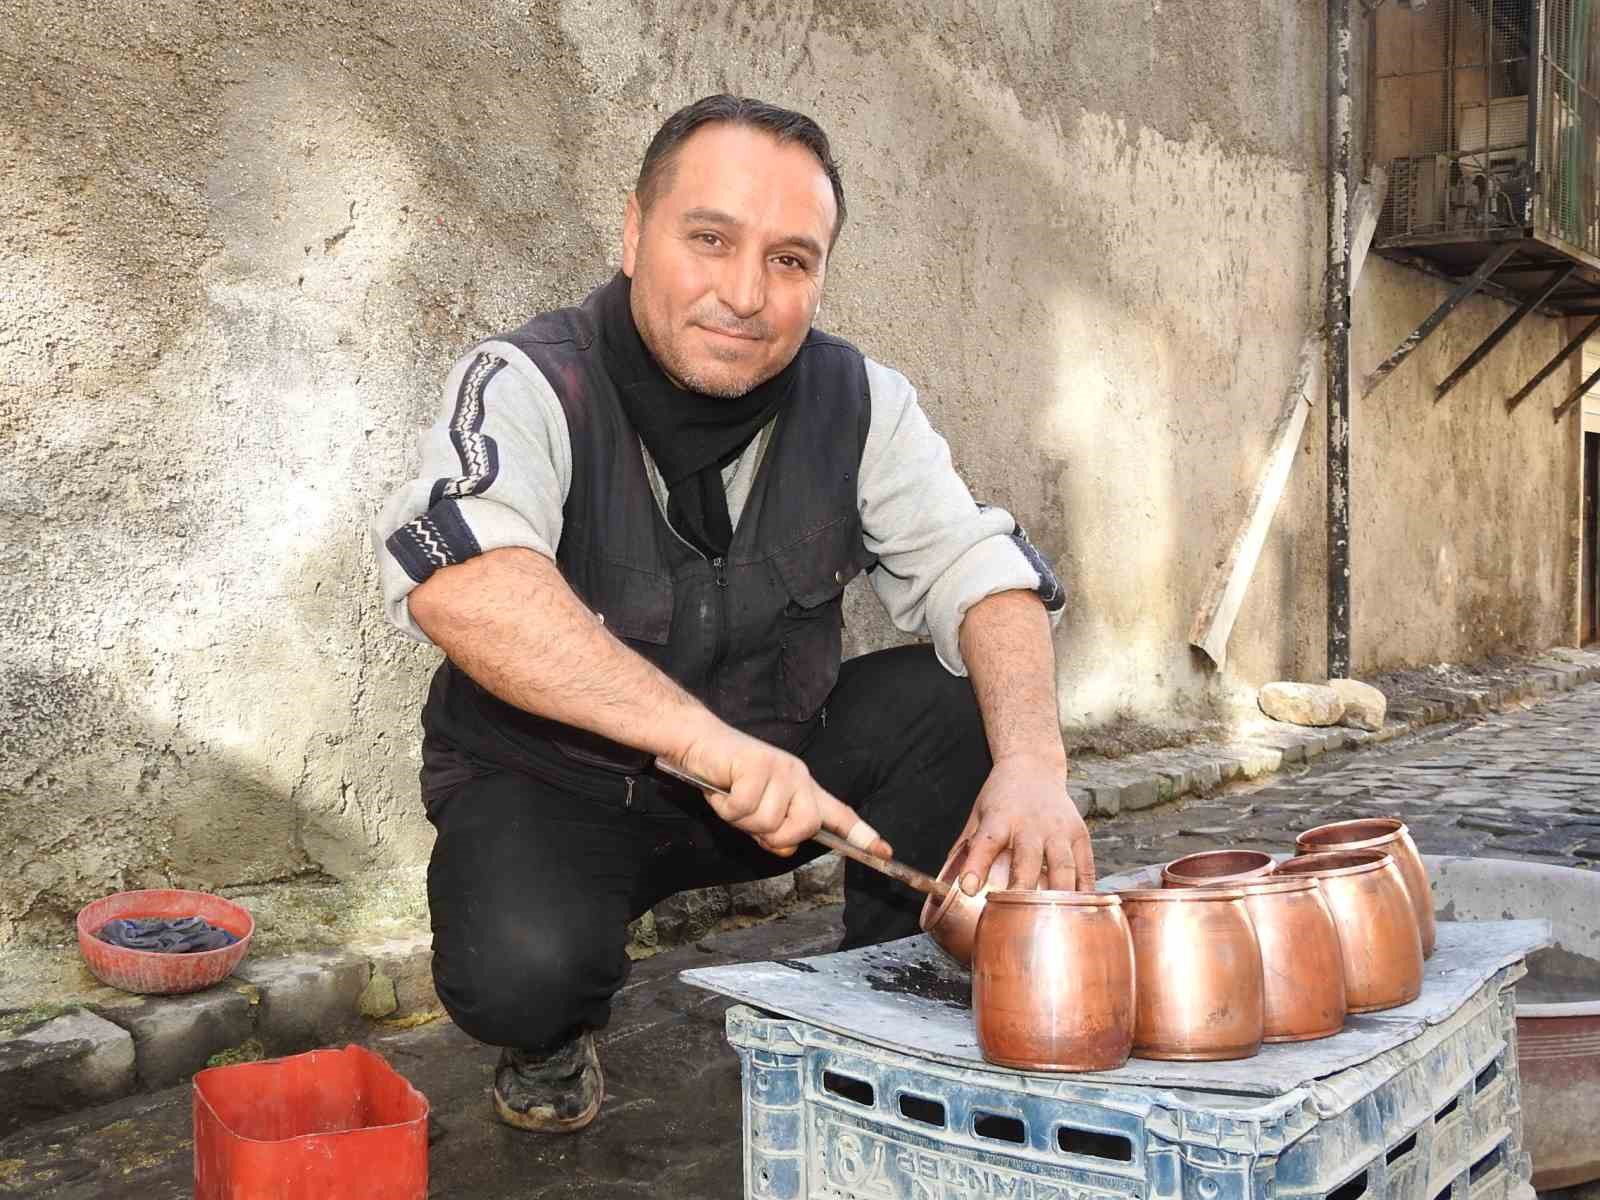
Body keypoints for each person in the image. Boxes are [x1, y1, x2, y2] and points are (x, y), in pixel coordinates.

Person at [372, 95, 1093, 1134]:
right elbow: (463, 581)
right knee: (519, 973)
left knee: (962, 698)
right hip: (558, 790)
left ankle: (886, 990)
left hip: (780, 781)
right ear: (633, 233)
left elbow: (980, 568)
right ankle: (549, 1034)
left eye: (790, 260)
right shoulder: (529, 381)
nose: (745, 294)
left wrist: (1035, 762)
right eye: (708, 240)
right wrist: (702, 744)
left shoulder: (861, 402)